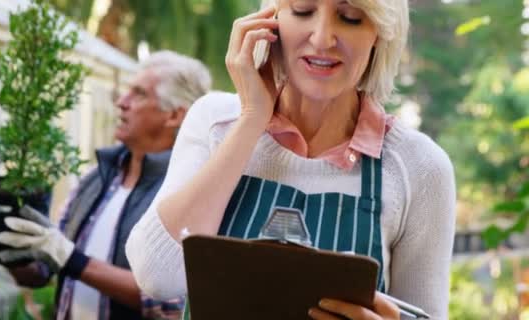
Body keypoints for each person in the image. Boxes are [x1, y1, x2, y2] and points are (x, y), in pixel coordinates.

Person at [125, 1, 456, 319]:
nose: (323, 38)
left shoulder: (419, 167)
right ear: (271, 20)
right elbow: (157, 277)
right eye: (302, 10)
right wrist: (252, 119)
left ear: (381, 35)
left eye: (350, 17)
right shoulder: (214, 121)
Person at [0, 50, 212, 320]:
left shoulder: (186, 192)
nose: (122, 102)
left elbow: (173, 304)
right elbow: (43, 272)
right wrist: (4, 248)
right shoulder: (94, 179)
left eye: (139, 94)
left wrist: (74, 260)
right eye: (126, 92)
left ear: (175, 116)